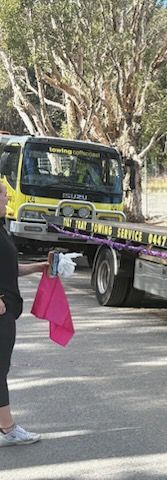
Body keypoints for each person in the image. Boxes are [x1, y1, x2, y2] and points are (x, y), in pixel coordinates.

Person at [0, 182, 48, 446]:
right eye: (4, 195)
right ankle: (8, 430)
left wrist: (38, 267)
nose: (8, 199)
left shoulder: (2, 228)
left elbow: (8, 268)